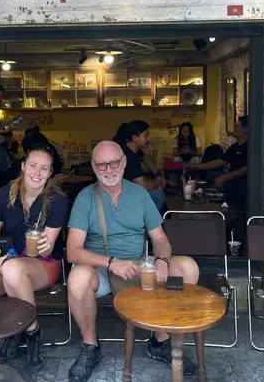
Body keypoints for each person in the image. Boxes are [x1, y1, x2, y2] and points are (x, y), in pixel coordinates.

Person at [65, 141, 200, 382]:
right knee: (78, 277)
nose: (109, 169)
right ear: (94, 167)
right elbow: (73, 251)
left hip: (139, 265)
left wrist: (162, 260)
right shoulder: (85, 198)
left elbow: (160, 239)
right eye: (102, 165)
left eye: (114, 163)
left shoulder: (139, 194)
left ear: (124, 162)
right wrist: (111, 262)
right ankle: (90, 346)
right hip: (100, 269)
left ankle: (160, 340)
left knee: (187, 267)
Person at [0, 145, 68, 373]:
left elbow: (47, 247)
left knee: (12, 269)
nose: (37, 172)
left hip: (44, 263)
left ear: (50, 173)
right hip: (8, 260)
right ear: (23, 166)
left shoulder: (56, 199)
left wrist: (46, 246)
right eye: (33, 165)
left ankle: (32, 333)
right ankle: (10, 331)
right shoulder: (5, 193)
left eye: (44, 168)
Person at [194, 115, 248, 205]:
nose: (234, 129)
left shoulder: (248, 147)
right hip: (231, 176)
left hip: (241, 180)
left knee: (232, 185)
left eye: (237, 126)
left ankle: (231, 208)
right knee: (210, 175)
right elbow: (219, 162)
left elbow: (245, 170)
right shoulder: (234, 147)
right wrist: (195, 166)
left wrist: (225, 177)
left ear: (245, 130)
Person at [116, 120, 167, 213]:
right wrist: (157, 183)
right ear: (135, 138)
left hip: (126, 194)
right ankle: (145, 221)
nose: (149, 139)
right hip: (122, 199)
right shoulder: (129, 157)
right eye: (146, 135)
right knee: (158, 194)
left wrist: (157, 173)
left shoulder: (132, 150)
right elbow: (142, 185)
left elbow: (145, 158)